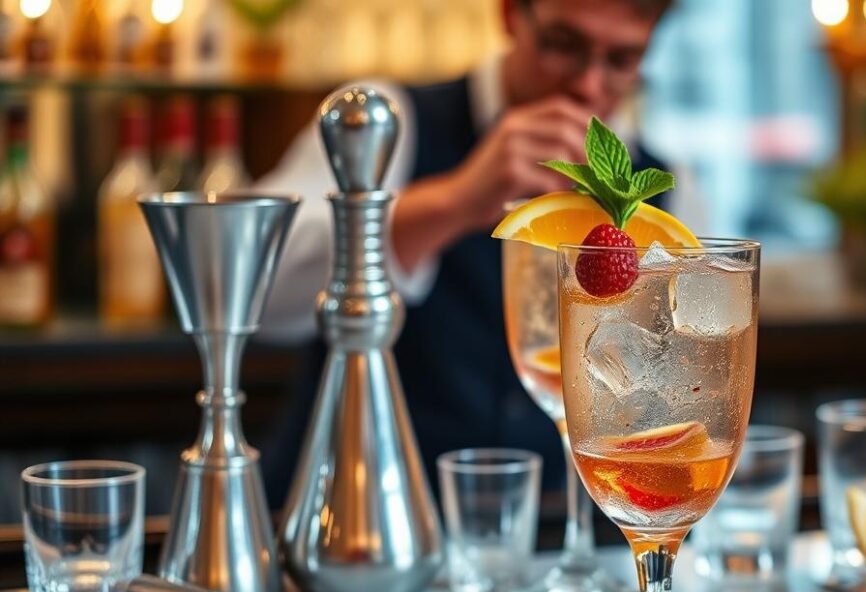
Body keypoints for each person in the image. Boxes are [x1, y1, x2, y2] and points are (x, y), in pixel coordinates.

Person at [256, 0, 683, 504]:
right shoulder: (386, 120)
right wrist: (457, 198)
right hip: (359, 518)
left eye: (621, 60)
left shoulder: (662, 187)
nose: (589, 85)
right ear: (509, 17)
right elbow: (258, 292)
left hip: (550, 535)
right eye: (564, 46)